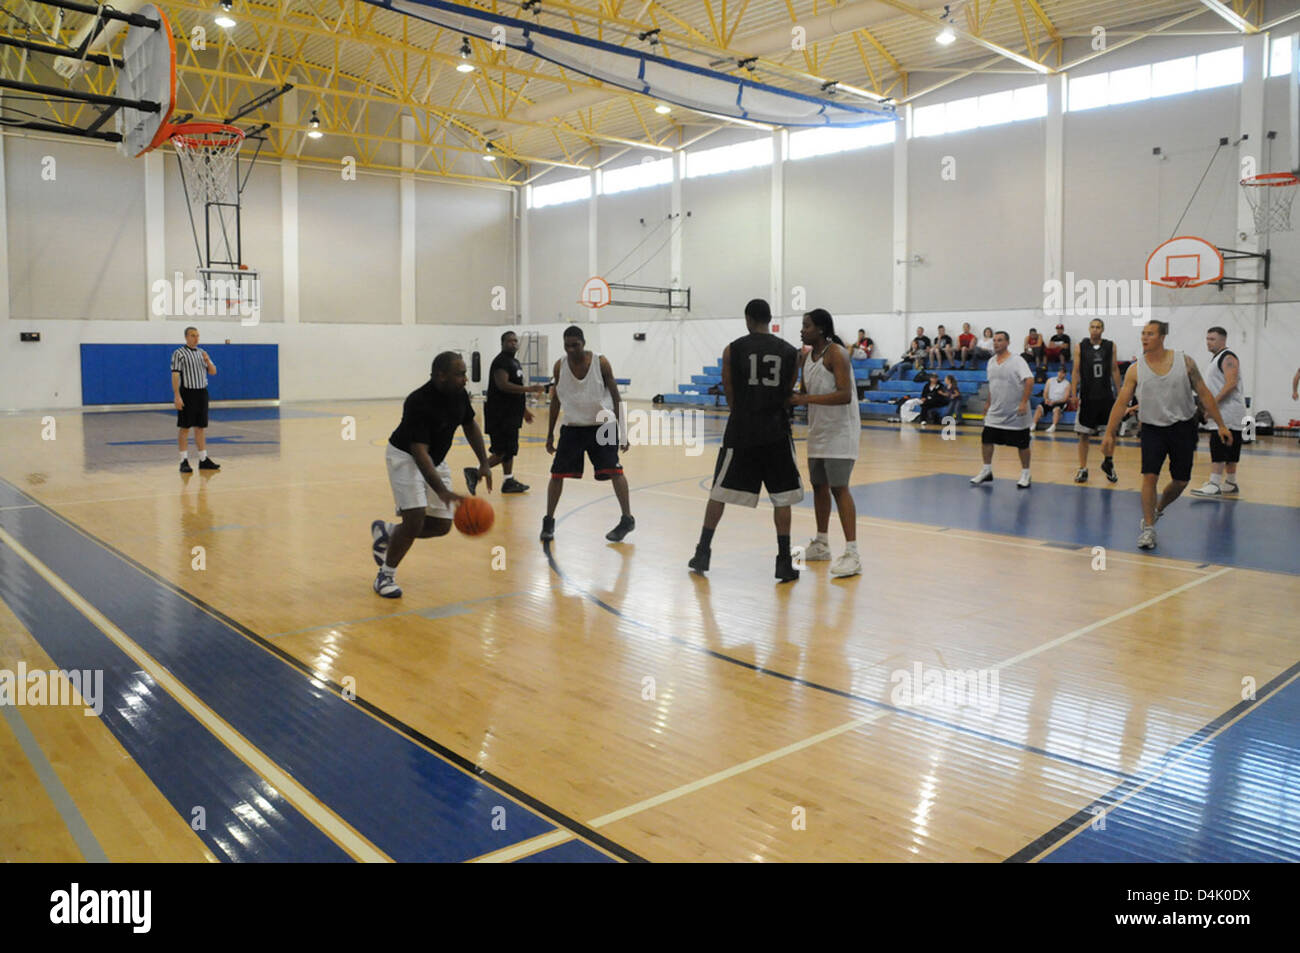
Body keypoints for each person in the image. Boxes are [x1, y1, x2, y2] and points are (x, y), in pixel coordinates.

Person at [689, 299, 804, 582]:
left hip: (742, 429)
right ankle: (784, 561)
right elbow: (788, 390)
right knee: (782, 497)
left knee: (718, 491)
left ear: (748, 319)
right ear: (768, 318)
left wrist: (743, 412)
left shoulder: (733, 349)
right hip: (776, 430)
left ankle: (703, 551)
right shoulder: (790, 352)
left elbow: (729, 391)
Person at [1101, 320, 1231, 551]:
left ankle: (1158, 509)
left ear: (1162, 337)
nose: (1144, 337)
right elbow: (1121, 403)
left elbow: (1204, 393)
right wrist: (1110, 433)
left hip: (1183, 427)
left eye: (1150, 334)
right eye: (1142, 333)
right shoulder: (1135, 369)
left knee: (1181, 481)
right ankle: (1149, 529)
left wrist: (1220, 424)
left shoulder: (1185, 362)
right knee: (1149, 476)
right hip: (1152, 429)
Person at [370, 352, 490, 598]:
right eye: (460, 374)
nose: (465, 379)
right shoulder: (418, 401)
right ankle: (385, 575)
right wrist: (443, 491)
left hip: (434, 457)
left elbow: (470, 424)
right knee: (414, 517)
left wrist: (484, 462)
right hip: (405, 456)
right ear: (440, 375)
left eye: (465, 373)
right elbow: (418, 451)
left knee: (441, 526)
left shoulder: (459, 396)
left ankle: (389, 533)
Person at [541, 326, 635, 543]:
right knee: (556, 475)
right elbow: (555, 399)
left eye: (575, 345)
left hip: (602, 425)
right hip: (573, 427)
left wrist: (623, 431)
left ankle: (627, 519)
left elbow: (615, 396)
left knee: (615, 471)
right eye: (567, 345)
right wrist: (549, 434)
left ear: (584, 343)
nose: (571, 349)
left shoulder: (600, 363)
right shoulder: (560, 366)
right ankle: (548, 521)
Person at [789, 309, 860, 578]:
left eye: (806, 326)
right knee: (819, 486)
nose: (802, 330)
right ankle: (821, 543)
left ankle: (853, 552)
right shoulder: (807, 357)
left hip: (841, 432)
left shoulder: (837, 354)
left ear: (820, 329)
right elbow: (806, 394)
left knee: (839, 489)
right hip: (818, 431)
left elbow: (844, 395)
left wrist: (804, 400)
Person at [466, 330, 547, 495]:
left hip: (511, 414)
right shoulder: (501, 362)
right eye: (509, 341)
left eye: (515, 341)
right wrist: (530, 388)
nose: (513, 343)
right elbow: (503, 385)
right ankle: (474, 472)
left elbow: (515, 389)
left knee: (509, 450)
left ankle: (508, 480)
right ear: (502, 344)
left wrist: (523, 410)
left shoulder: (515, 362)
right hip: (500, 414)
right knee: (502, 452)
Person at [971, 331, 1034, 489]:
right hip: (995, 412)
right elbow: (993, 384)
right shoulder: (991, 362)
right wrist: (988, 403)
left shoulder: (1017, 360)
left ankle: (1026, 473)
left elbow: (1030, 380)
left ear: (1007, 342)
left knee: (1022, 445)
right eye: (995, 340)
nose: (996, 343)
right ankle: (986, 470)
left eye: (1000, 340)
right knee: (986, 440)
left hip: (1016, 412)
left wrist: (1023, 402)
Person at [1192, 326, 1246, 497]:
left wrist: (1211, 405)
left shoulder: (1227, 357)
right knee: (1230, 448)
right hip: (1225, 412)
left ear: (1223, 340)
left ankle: (1214, 483)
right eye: (1207, 339)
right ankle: (1230, 482)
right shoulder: (1216, 359)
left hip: (1227, 412)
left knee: (1219, 445)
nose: (1208, 342)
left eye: (1212, 339)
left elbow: (1231, 383)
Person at [1071, 318, 1122, 484]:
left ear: (1103, 329)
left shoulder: (1110, 346)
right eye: (1092, 327)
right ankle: (1083, 468)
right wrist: (1073, 393)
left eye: (1098, 327)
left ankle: (1108, 462)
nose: (1095, 330)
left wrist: (1120, 393)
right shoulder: (1080, 346)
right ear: (1088, 329)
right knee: (1083, 434)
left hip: (1105, 395)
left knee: (1110, 432)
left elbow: (1114, 369)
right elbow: (1076, 371)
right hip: (1087, 396)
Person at [171, 326, 220, 472]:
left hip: (202, 393)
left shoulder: (202, 353)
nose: (196, 338)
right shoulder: (179, 353)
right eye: (193, 335)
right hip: (187, 392)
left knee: (200, 427)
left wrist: (207, 361)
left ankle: (203, 459)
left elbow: (213, 372)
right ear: (186, 337)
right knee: (185, 427)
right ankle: (183, 460)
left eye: (197, 335)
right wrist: (177, 396)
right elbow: (175, 375)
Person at [1033, 366, 1071, 434]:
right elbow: (1045, 392)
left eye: (1062, 373)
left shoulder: (1067, 384)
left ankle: (1053, 426)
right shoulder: (1050, 380)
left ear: (1065, 374)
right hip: (1049, 400)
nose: (1060, 374)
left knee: (1057, 409)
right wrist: (1046, 399)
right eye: (1059, 372)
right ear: (1057, 372)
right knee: (1039, 407)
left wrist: (1055, 402)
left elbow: (1065, 399)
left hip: (1059, 402)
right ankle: (1034, 424)